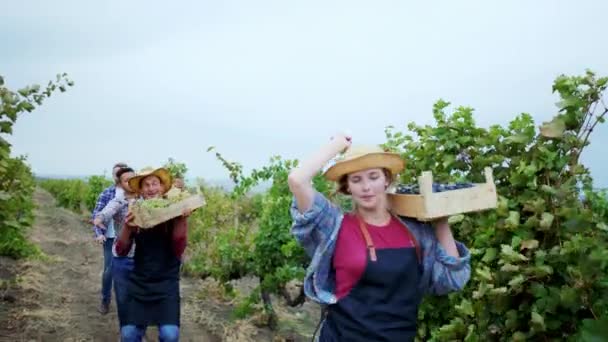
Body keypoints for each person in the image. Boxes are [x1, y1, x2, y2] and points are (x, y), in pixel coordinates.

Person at [287, 133, 471, 342]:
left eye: (373, 177)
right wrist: (337, 145)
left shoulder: (415, 231)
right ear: (347, 187)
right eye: (356, 179)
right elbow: (297, 180)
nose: (366, 187)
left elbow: (453, 279)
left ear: (387, 179)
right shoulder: (334, 226)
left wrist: (441, 222)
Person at [115, 167, 191, 342]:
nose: (151, 188)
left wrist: (182, 219)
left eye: (155, 184)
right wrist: (128, 226)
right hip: (140, 282)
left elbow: (178, 248)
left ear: (163, 188)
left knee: (170, 335)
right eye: (146, 185)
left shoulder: (174, 212)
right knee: (129, 334)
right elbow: (121, 250)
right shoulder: (137, 212)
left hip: (166, 283)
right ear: (141, 190)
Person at [93, 166, 137, 328]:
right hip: (116, 243)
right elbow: (103, 212)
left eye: (133, 178)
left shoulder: (143, 198)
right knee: (109, 271)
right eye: (126, 180)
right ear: (119, 181)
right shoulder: (114, 196)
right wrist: (99, 223)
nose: (130, 182)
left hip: (140, 252)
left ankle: (136, 328)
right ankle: (105, 300)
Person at [90, 162, 128, 315]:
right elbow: (97, 214)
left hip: (127, 239)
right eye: (116, 174)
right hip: (110, 238)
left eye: (121, 174)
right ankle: (105, 300)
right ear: (113, 176)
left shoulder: (133, 193)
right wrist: (99, 233)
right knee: (109, 271)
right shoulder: (107, 193)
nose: (118, 177)